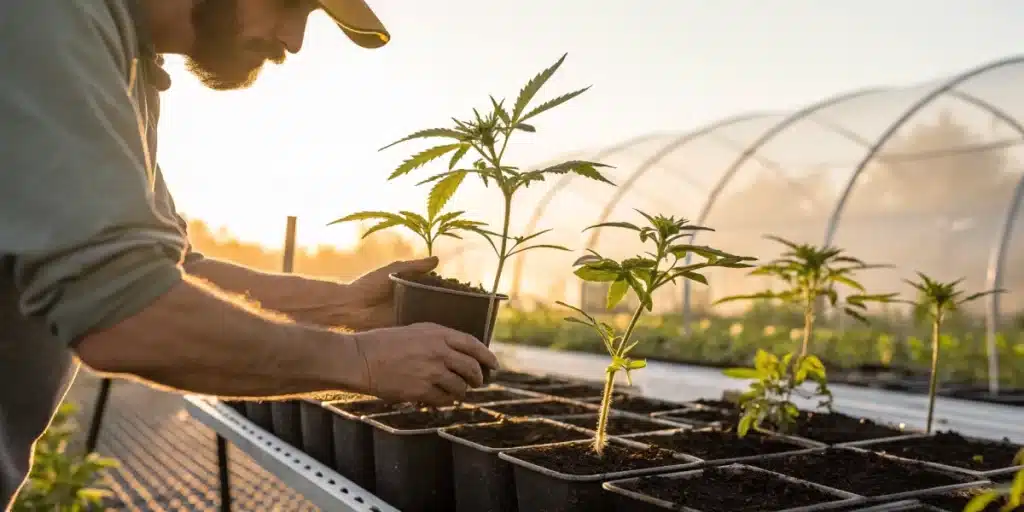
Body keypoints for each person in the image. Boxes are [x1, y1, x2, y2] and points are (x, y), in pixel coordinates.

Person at [0, 0, 500, 507]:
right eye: (290, 4)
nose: (294, 41)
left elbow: (175, 270)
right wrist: (359, 360)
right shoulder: (49, 16)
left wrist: (346, 306)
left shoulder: (127, 64)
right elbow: (126, 315)